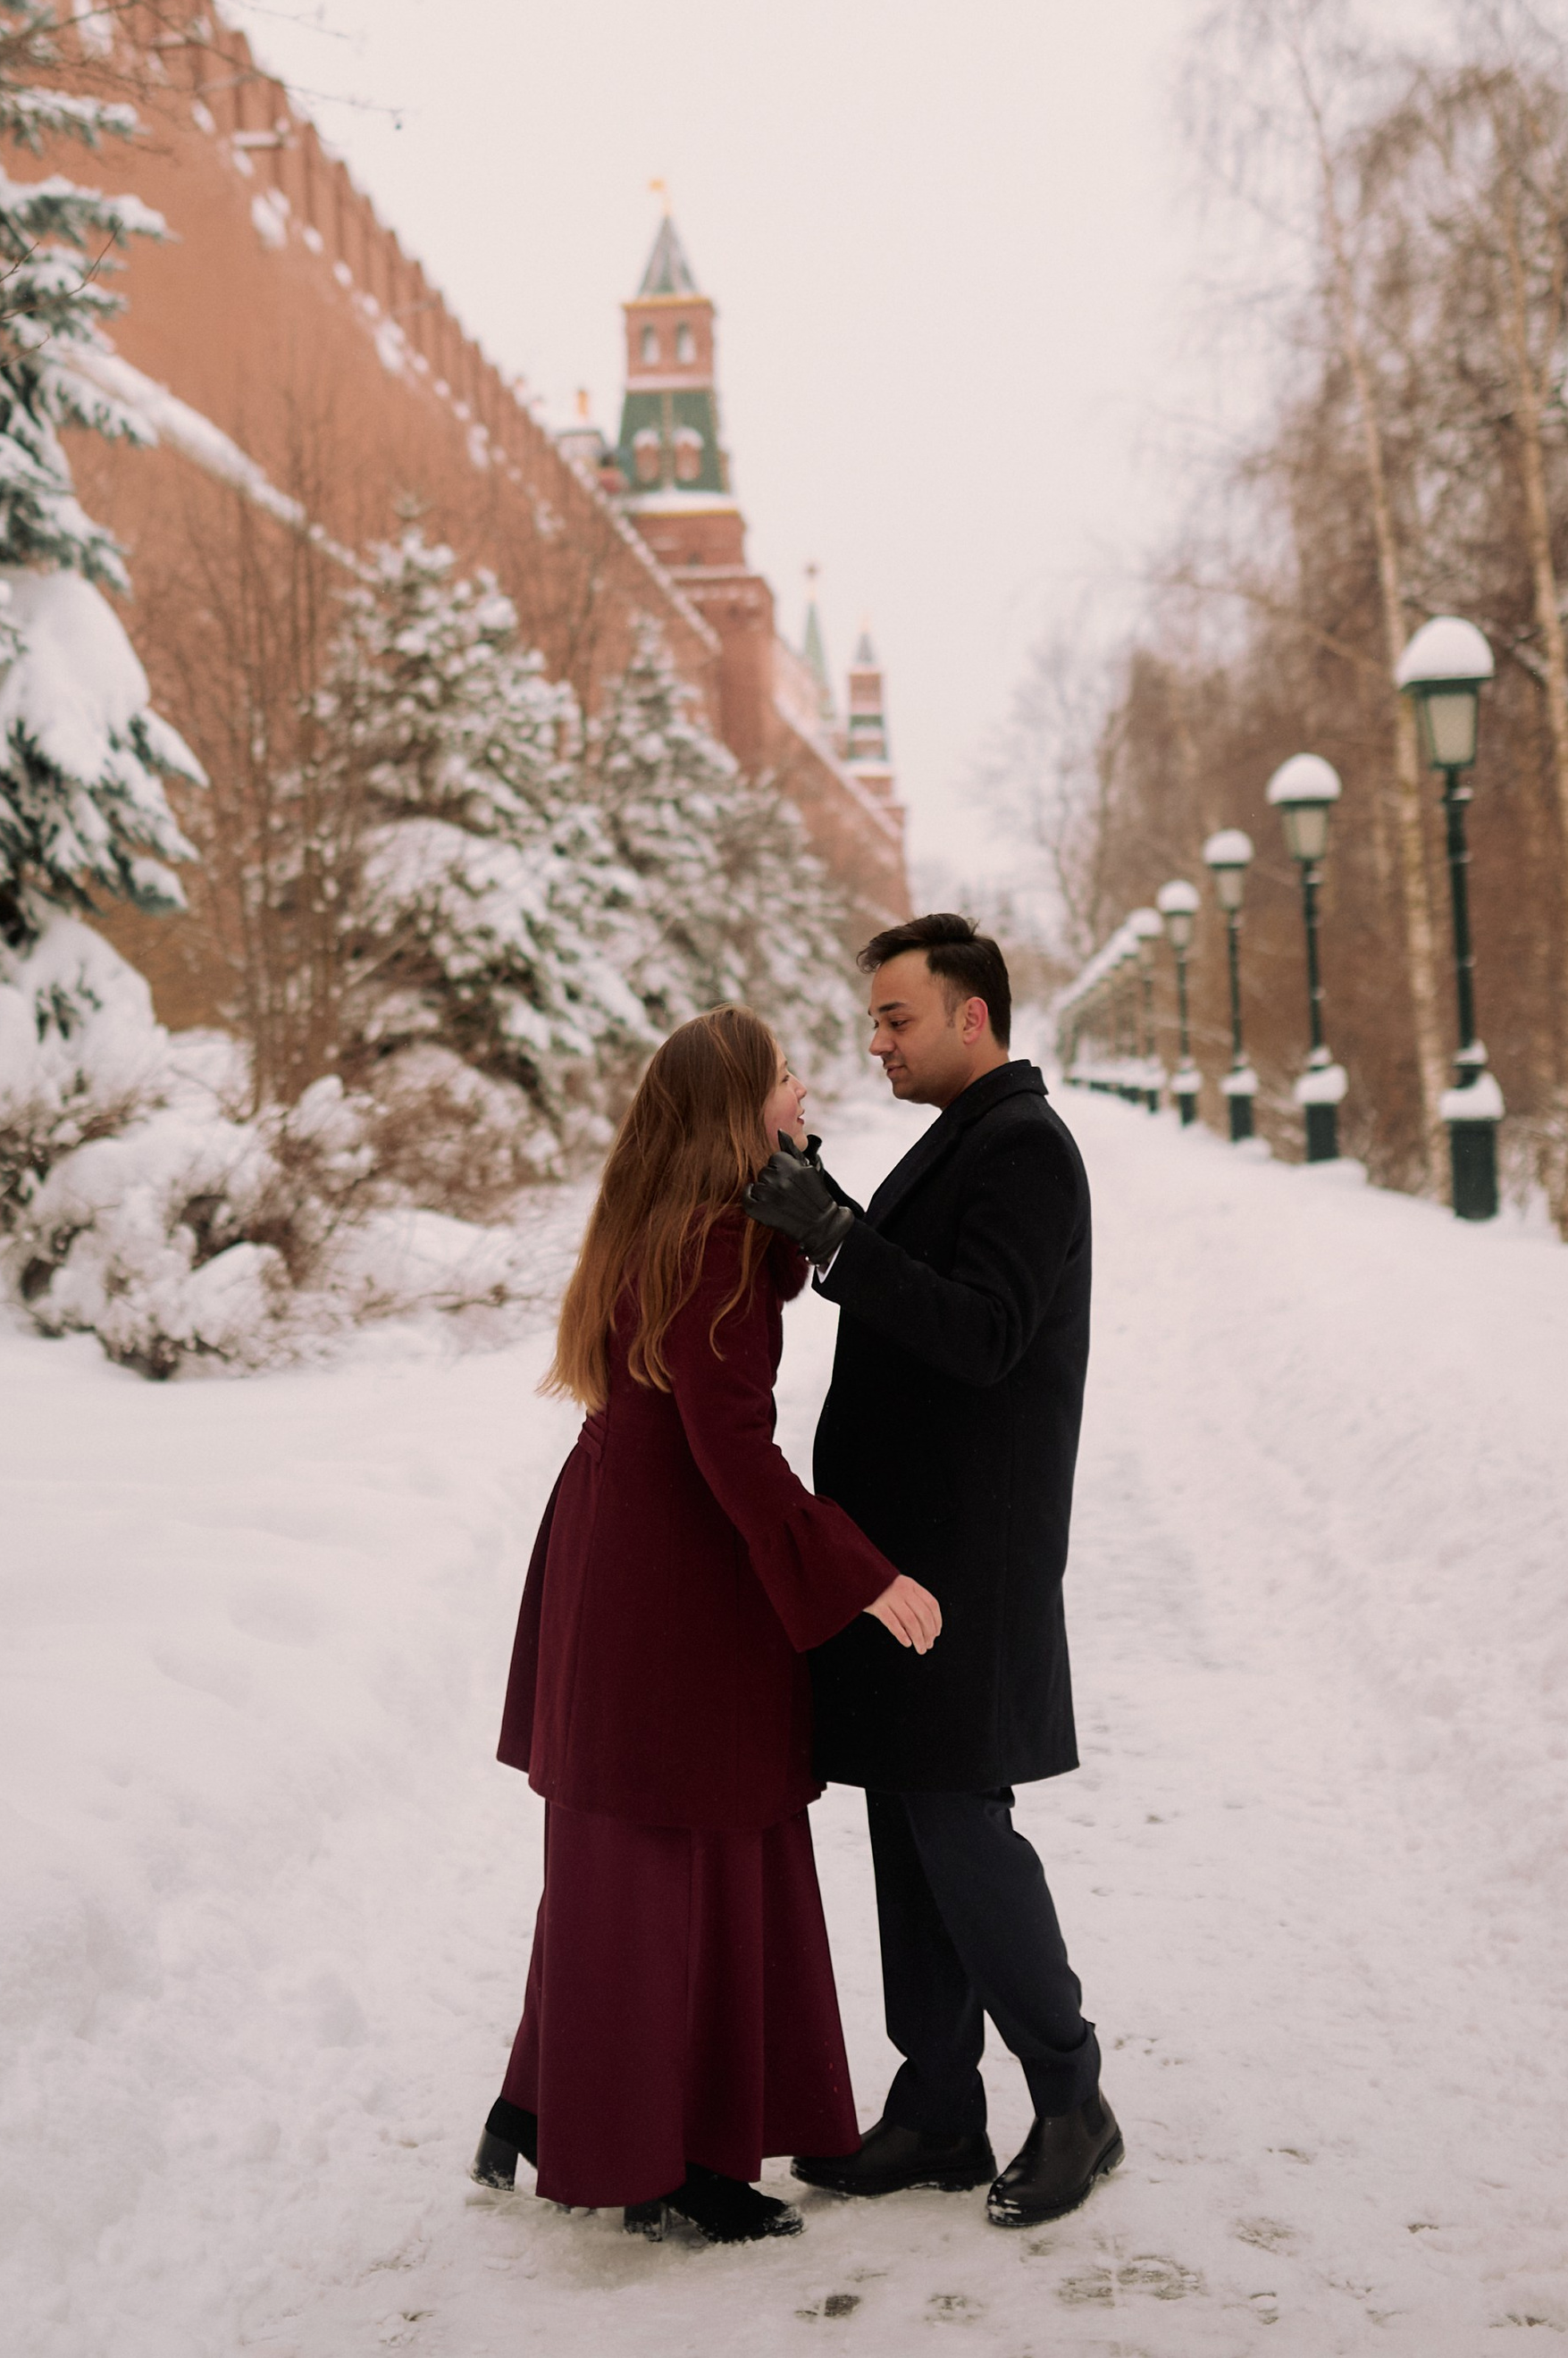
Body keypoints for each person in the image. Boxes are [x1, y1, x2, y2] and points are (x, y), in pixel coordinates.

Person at [474, 1003, 943, 2245]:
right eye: (788, 1079)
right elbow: (735, 1446)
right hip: (672, 1567)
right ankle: (666, 2157)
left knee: (618, 1845)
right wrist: (854, 1570)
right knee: (680, 1852)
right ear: (740, 1110)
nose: (807, 1090)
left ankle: (542, 2100)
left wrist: (804, 1187)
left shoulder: (667, 1220)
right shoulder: (717, 1248)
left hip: (617, 1543)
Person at [740, 913, 1118, 2232]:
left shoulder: (1026, 1148)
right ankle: (940, 2105)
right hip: (907, 1551)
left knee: (960, 1821)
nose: (878, 1041)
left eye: (898, 1018)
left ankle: (1071, 2093)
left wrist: (838, 1232)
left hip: (971, 1557)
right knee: (907, 1816)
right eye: (873, 1021)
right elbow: (911, 1273)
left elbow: (983, 1330)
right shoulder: (964, 1138)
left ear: (973, 1015)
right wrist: (822, 1198)